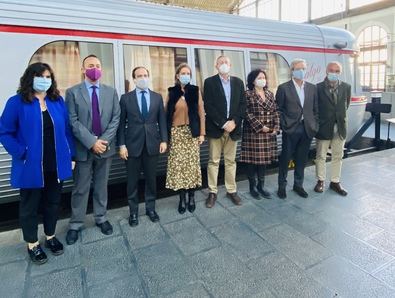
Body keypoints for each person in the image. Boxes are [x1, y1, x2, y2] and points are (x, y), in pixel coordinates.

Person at [0, 62, 74, 264]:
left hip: (55, 164)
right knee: (29, 206)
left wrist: (71, 154)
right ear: (30, 78)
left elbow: (66, 131)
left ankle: (50, 236)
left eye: (49, 77)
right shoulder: (16, 102)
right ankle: (32, 243)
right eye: (41, 76)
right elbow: (4, 132)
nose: (45, 80)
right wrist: (20, 151)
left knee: (53, 203)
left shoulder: (57, 101)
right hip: (30, 165)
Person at [65, 55, 120, 244]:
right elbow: (72, 121)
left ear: (101, 69)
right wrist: (91, 142)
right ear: (83, 69)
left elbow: (115, 119)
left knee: (101, 186)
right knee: (80, 188)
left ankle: (101, 218)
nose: (94, 69)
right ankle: (75, 224)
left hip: (105, 148)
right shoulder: (72, 92)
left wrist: (102, 141)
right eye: (90, 66)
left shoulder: (111, 92)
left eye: (97, 65)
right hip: (83, 148)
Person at [117, 66, 167, 227]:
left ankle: (150, 209)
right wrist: (122, 145)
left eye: (145, 75)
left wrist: (164, 140)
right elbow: (120, 124)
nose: (143, 78)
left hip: (152, 145)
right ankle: (133, 212)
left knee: (151, 180)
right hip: (132, 146)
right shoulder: (125, 99)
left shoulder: (157, 97)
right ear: (134, 79)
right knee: (132, 181)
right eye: (139, 76)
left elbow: (162, 121)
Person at [203, 55, 246, 208]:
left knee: (230, 161)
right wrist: (223, 123)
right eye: (221, 63)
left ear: (230, 65)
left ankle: (231, 190)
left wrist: (234, 121)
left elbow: (242, 105)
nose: (224, 65)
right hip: (216, 129)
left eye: (226, 62)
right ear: (216, 66)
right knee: (213, 161)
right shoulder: (209, 82)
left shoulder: (238, 82)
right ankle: (212, 192)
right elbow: (208, 105)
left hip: (233, 129)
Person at [164, 63, 205, 214]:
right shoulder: (172, 92)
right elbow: (166, 113)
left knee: (192, 167)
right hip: (176, 134)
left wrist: (202, 133)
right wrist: (166, 136)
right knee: (179, 168)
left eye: (188, 73)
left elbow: (201, 112)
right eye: (183, 73)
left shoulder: (195, 91)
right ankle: (182, 199)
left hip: (192, 133)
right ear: (177, 76)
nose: (185, 75)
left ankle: (192, 197)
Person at [276, 58, 319, 199]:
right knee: (285, 158)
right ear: (292, 70)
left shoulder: (312, 88)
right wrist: (284, 124)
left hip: (307, 129)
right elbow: (279, 109)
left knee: (302, 158)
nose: (302, 71)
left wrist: (314, 125)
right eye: (298, 68)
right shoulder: (283, 88)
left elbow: (316, 110)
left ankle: (298, 185)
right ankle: (282, 186)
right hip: (291, 129)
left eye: (304, 68)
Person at [240, 69, 280, 199]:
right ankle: (252, 187)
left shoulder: (269, 94)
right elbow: (246, 113)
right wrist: (260, 127)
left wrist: (276, 127)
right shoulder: (247, 94)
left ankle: (261, 186)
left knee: (263, 162)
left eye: (264, 77)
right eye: (259, 77)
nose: (262, 80)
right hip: (253, 133)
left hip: (268, 134)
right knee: (252, 162)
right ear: (253, 80)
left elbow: (276, 111)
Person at [314, 62, 351, 196]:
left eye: (336, 71)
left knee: (337, 156)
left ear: (339, 73)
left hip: (340, 127)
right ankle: (320, 181)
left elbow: (346, 105)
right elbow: (315, 108)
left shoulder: (346, 87)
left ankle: (335, 182)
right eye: (331, 70)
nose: (333, 73)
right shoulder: (317, 88)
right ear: (326, 71)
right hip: (323, 127)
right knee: (321, 156)